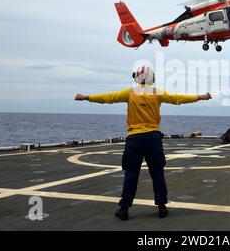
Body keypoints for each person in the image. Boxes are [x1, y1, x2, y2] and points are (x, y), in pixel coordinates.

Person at [74, 65, 212, 220]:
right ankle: (161, 207)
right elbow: (177, 99)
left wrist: (86, 97)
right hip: (153, 138)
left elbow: (108, 98)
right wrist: (200, 96)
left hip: (134, 138)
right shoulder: (157, 92)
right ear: (151, 78)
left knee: (131, 173)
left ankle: (124, 209)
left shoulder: (130, 93)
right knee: (157, 173)